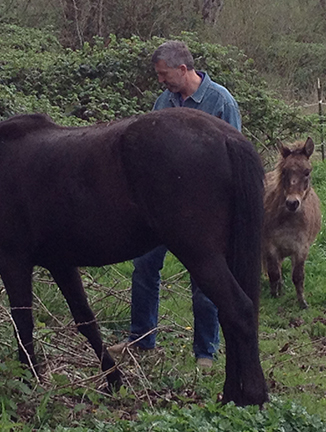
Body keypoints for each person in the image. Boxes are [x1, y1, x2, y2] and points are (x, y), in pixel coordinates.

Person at [108, 40, 243, 368]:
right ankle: (141, 339)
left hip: (201, 213)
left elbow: (235, 162)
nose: (161, 81)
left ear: (184, 69)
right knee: (143, 266)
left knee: (204, 279)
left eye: (164, 74)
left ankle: (205, 352)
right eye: (158, 76)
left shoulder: (221, 102)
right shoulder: (163, 101)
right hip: (160, 209)